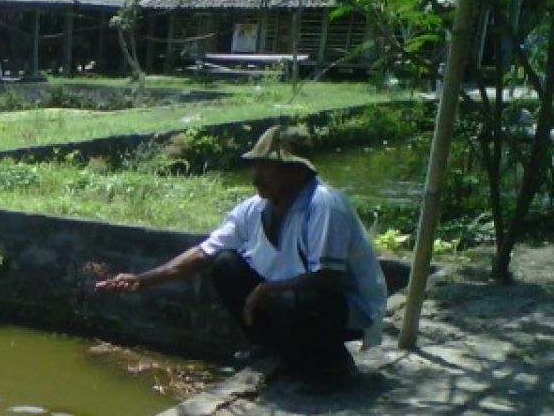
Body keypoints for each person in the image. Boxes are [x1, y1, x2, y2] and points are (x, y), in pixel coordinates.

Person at [96, 125, 387, 387]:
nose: (256, 176)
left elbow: (327, 279)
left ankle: (330, 361)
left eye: (268, 167)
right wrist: (142, 280)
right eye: (256, 166)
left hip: (341, 308)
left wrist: (266, 289)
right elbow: (204, 252)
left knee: (293, 299)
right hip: (286, 297)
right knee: (226, 266)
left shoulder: (324, 204)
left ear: (297, 171)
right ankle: (275, 350)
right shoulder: (254, 209)